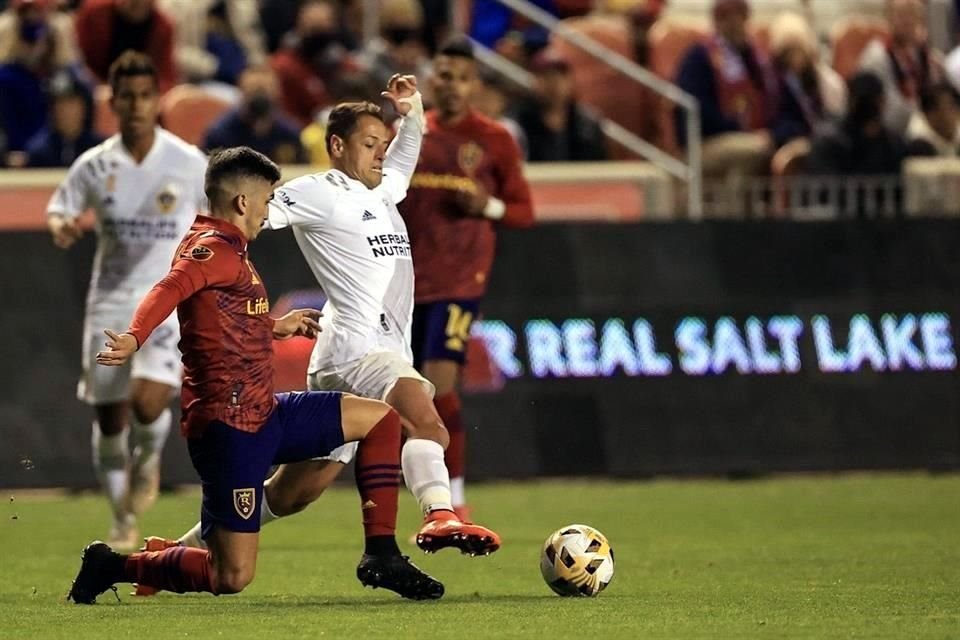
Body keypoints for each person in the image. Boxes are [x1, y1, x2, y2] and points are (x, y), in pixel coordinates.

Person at [67, 146, 443, 604]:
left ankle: (381, 553)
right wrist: (133, 337)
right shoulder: (212, 250)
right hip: (229, 429)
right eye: (267, 200)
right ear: (243, 202)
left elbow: (221, 313)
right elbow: (170, 289)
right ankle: (115, 565)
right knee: (231, 576)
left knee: (381, 419)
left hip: (265, 411)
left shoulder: (230, 249)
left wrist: (274, 325)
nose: (270, 211)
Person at [166, 73, 503, 560]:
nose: (380, 153)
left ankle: (178, 550)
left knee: (294, 493)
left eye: (382, 145)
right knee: (426, 423)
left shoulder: (382, 190)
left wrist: (411, 114)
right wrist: (214, 246)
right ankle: (439, 514)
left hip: (344, 356)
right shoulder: (317, 191)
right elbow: (251, 211)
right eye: (370, 144)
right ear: (337, 146)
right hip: (359, 349)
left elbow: (404, 161)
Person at [45, 51, 208, 551]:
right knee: (110, 417)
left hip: (165, 300)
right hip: (110, 301)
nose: (136, 106)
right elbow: (60, 211)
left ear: (157, 100)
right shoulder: (95, 166)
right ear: (112, 103)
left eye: (144, 96)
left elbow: (215, 219)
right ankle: (122, 519)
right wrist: (63, 227)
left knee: (146, 400)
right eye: (127, 98)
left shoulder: (187, 161)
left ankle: (150, 455)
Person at [402, 38, 533, 521]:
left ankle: (452, 494)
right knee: (407, 391)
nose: (449, 85)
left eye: (459, 76)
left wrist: (487, 207)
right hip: (406, 282)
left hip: (459, 282)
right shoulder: (411, 134)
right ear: (431, 81)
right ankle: (426, 491)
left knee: (438, 385)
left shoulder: (494, 139)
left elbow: (523, 212)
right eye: (441, 75)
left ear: (473, 85)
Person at [202, 64, 307, 164]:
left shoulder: (289, 133)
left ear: (277, 92)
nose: (260, 97)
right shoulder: (221, 135)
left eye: (265, 90)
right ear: (241, 91)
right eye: (254, 90)